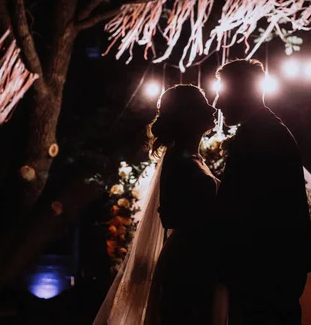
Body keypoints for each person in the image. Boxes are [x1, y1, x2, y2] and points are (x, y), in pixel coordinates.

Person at [92, 84, 226, 325]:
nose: (213, 107)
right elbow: (171, 215)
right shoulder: (180, 161)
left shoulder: (192, 159)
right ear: (189, 115)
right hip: (188, 261)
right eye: (204, 102)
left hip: (199, 256)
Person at [213, 58, 311, 325]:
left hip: (262, 271)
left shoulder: (260, 135)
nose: (217, 103)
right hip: (270, 268)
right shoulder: (265, 130)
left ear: (242, 92)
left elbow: (243, 210)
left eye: (222, 93)